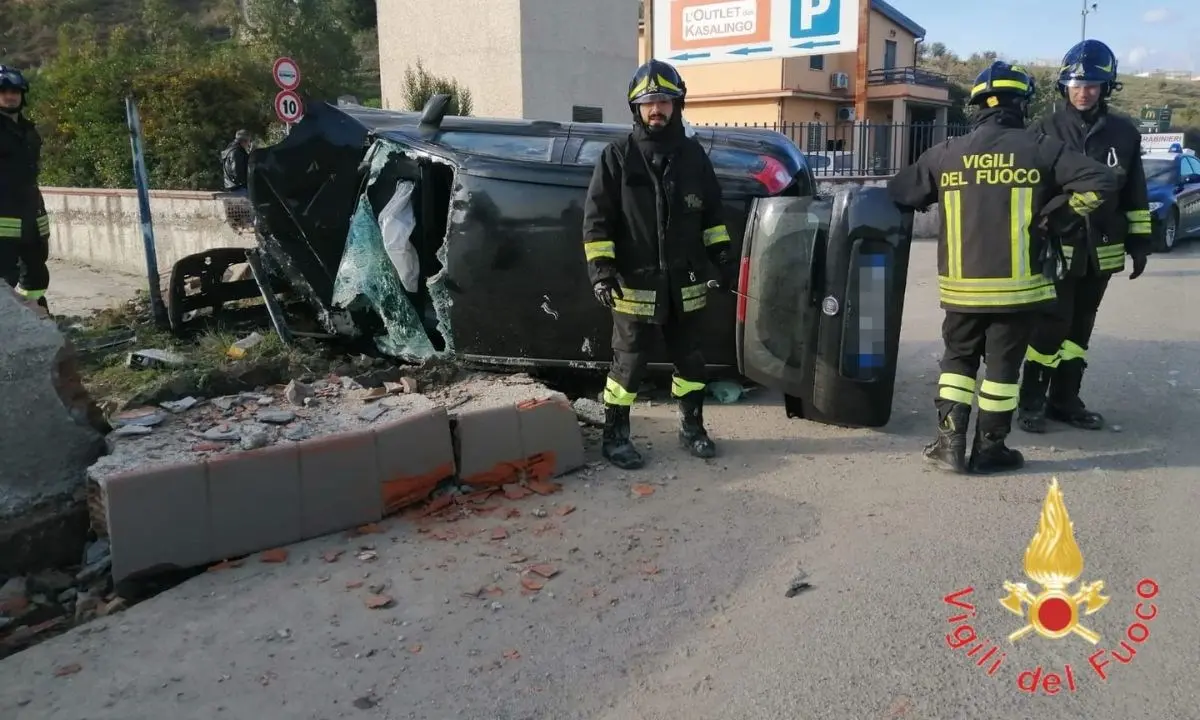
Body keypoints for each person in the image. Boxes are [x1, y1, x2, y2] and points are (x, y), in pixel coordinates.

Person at [888, 61, 1117, 475]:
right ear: (1022, 105)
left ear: (976, 106)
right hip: (1020, 290)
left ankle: (948, 446)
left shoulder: (946, 153)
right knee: (1002, 371)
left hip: (962, 289)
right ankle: (990, 449)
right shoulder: (1042, 148)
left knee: (957, 362)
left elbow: (900, 192)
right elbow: (1103, 181)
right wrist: (1063, 215)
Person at [581, 59, 737, 470]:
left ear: (677, 104)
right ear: (636, 108)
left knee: (692, 361)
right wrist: (602, 272)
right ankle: (615, 438)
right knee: (628, 365)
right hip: (633, 285)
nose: (657, 109)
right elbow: (597, 222)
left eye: (664, 101)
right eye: (648, 102)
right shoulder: (617, 157)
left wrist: (721, 256)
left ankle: (692, 429)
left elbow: (713, 216)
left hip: (686, 283)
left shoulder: (693, 157)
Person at [1017, 39, 1152, 434]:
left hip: (1104, 251)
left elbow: (1135, 192)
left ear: (1106, 87)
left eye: (1092, 83)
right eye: (1075, 83)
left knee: (1080, 330)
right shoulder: (1043, 130)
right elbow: (1030, 192)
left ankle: (1065, 400)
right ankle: (1031, 401)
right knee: (1050, 325)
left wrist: (1141, 241)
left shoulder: (1125, 133)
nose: (1083, 90)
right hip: (1059, 246)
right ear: (1063, 86)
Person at [0, 65, 51, 311]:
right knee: (5, 275)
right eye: (4, 91)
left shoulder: (29, 130)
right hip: (3, 213)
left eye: (15, 91)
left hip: (32, 211)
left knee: (37, 273)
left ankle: (34, 311)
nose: (10, 96)